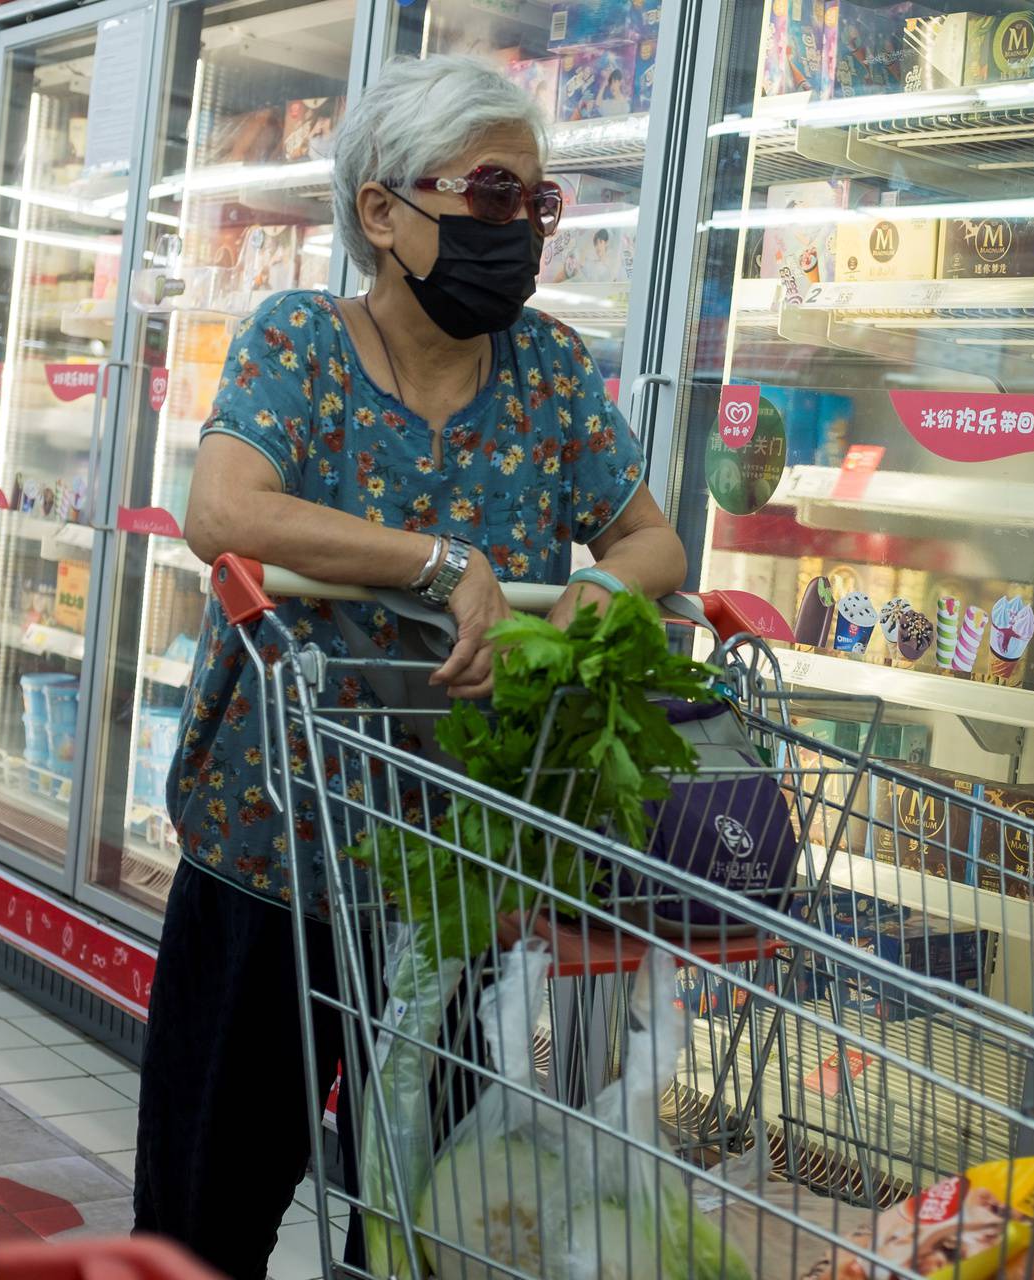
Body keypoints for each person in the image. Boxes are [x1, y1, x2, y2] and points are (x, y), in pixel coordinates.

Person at [132, 54, 687, 1278]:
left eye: (535, 208)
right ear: (381, 209)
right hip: (271, 852)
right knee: (201, 1218)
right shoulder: (302, 342)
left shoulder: (547, 374)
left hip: (454, 877)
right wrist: (443, 563)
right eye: (490, 198)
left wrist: (589, 597)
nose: (520, 234)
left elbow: (655, 537)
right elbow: (223, 508)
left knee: (424, 1224)